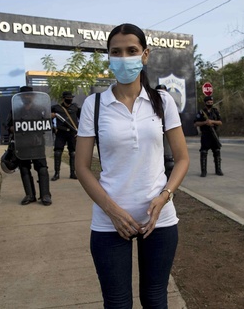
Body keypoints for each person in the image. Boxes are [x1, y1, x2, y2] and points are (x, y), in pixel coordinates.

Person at [75, 23, 190, 308]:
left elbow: (182, 159)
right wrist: (113, 211)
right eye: (116, 52)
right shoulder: (95, 104)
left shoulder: (163, 101)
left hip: (159, 221)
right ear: (109, 57)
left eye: (131, 50)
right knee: (117, 303)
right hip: (109, 223)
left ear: (145, 55)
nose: (124, 57)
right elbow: (81, 167)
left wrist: (164, 198)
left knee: (155, 299)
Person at [6, 86, 52, 206]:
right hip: (22, 145)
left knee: (42, 168)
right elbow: (7, 126)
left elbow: (48, 126)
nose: (27, 97)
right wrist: (14, 128)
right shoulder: (15, 110)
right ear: (20, 97)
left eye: (29, 95)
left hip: (37, 144)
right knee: (24, 169)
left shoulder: (40, 109)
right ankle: (30, 195)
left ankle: (45, 195)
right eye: (24, 95)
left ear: (33, 96)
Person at [50, 91, 81, 181]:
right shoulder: (56, 108)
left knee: (73, 153)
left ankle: (72, 173)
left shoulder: (75, 108)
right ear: (63, 99)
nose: (69, 100)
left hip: (72, 133)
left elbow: (81, 118)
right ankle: (57, 173)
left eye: (70, 98)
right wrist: (53, 127)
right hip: (61, 133)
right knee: (57, 152)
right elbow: (47, 117)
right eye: (67, 98)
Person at [194, 95, 224, 177]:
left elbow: (220, 122)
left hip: (215, 134)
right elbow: (196, 123)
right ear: (205, 103)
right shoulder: (201, 112)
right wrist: (205, 123)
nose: (210, 103)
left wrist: (212, 121)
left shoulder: (215, 111)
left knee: (217, 151)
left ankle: (218, 170)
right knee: (203, 152)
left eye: (211, 102)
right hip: (206, 135)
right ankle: (203, 171)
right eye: (208, 102)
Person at [155, 84, 175, 180]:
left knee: (169, 165)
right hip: (154, 151)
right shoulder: (149, 110)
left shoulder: (171, 109)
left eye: (164, 92)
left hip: (167, 148)